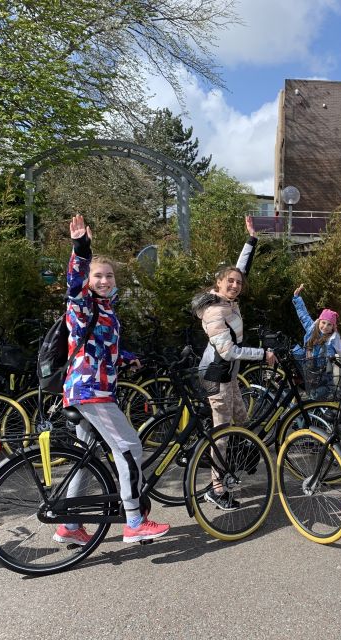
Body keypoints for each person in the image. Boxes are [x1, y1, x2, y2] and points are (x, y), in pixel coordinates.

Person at [55, 214, 169, 546]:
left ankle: (69, 524)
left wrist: (130, 358)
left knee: (85, 455)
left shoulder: (106, 310)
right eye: (98, 276)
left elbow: (102, 349)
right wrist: (81, 248)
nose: (104, 280)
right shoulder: (82, 305)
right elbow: (74, 281)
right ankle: (134, 520)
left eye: (109, 275)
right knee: (130, 447)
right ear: (89, 280)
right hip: (90, 391)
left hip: (93, 388)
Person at [191, 216, 276, 510]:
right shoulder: (215, 310)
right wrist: (262, 354)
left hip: (229, 378)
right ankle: (216, 488)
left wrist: (251, 240)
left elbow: (240, 269)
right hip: (217, 375)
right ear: (218, 284)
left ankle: (232, 468)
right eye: (230, 282)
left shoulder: (229, 301)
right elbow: (228, 351)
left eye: (238, 283)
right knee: (223, 434)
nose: (236, 285)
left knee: (243, 421)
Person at [291, 284, 341, 398]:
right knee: (311, 394)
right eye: (323, 322)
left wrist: (329, 358)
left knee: (320, 395)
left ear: (333, 327)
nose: (325, 326)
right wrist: (296, 297)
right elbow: (303, 315)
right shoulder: (311, 328)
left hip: (321, 374)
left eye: (329, 324)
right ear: (319, 321)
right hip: (307, 369)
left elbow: (331, 356)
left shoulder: (331, 340)